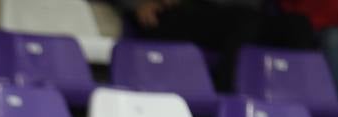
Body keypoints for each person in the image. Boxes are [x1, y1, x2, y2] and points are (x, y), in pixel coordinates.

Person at [121, 0, 316, 88]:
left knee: (299, 25)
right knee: (244, 22)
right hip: (186, 12)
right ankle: (226, 99)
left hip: (245, 15)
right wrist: (138, 4)